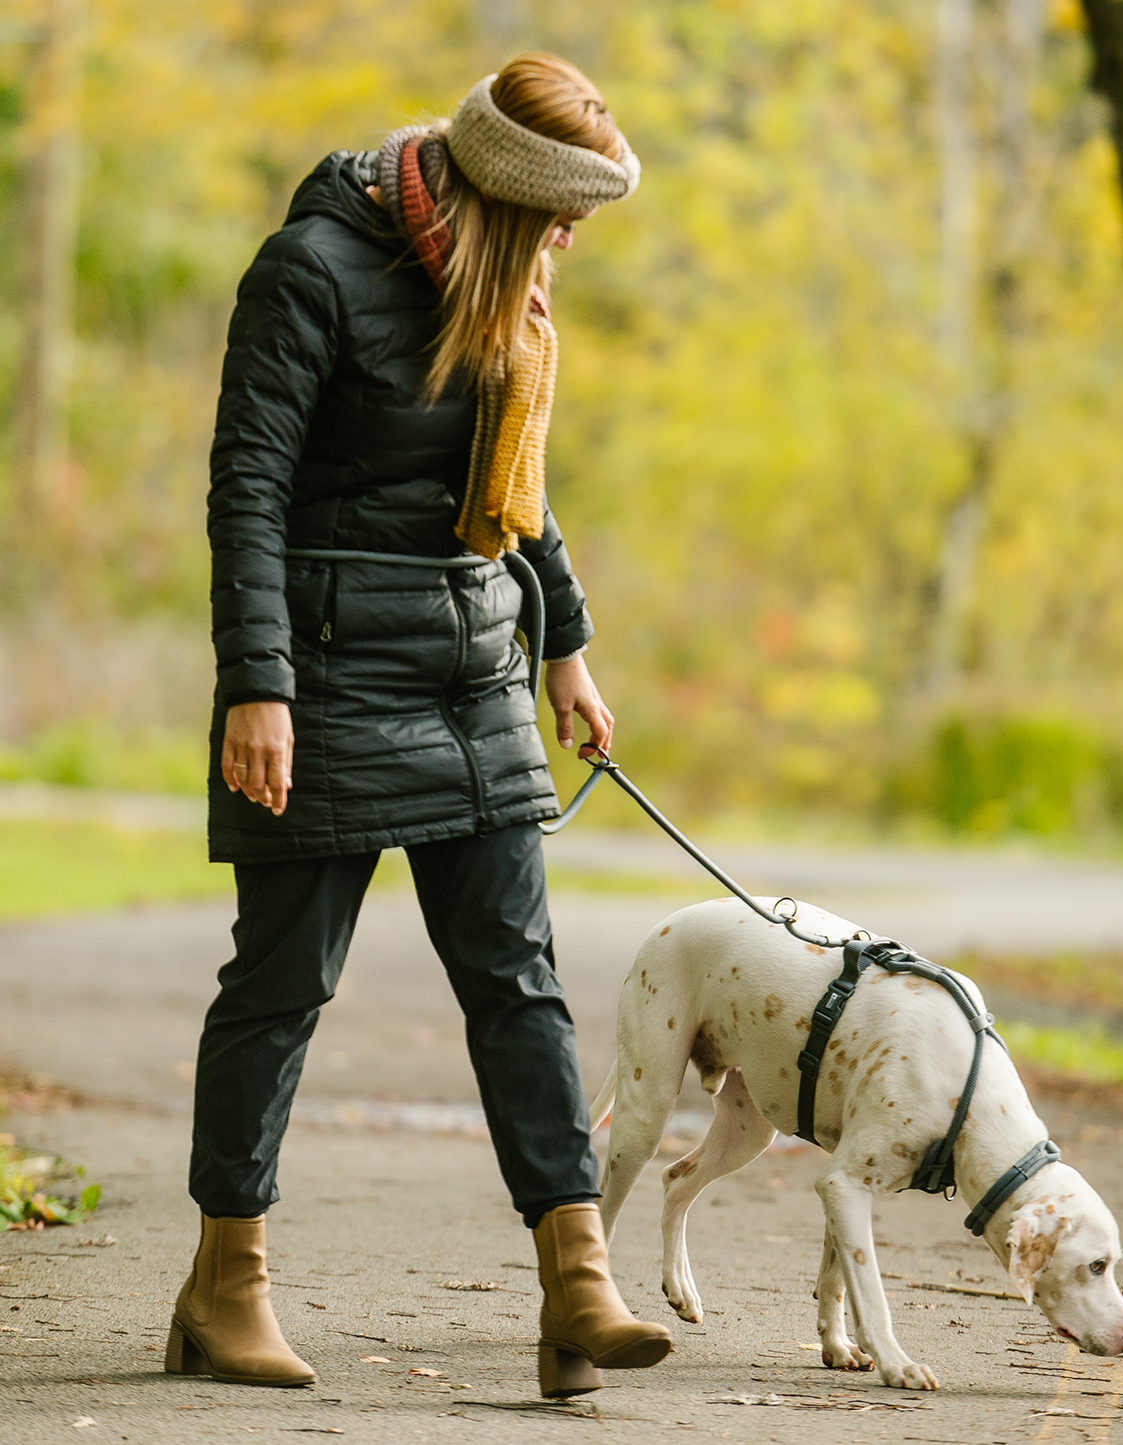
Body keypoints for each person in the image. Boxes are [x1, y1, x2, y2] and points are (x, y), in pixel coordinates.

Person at [167, 53, 672, 1401]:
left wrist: (563, 641)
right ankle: (227, 1286)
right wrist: (256, 684)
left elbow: (521, 485)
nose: (574, 239)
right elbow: (247, 489)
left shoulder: (510, 285)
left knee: (518, 980)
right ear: (508, 193)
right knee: (280, 987)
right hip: (324, 673)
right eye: (563, 214)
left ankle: (577, 1283)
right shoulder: (312, 271)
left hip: (470, 664)